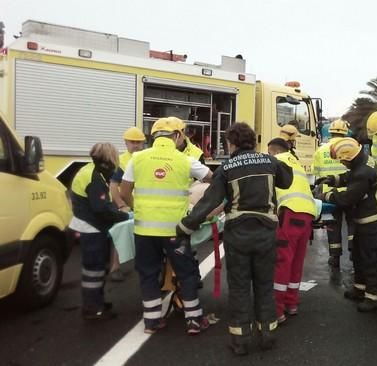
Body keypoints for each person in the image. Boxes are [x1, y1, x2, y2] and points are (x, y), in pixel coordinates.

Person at [176, 122, 293, 355]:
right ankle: (268, 335)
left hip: (238, 235)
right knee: (264, 285)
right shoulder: (270, 161)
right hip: (266, 234)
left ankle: (240, 342)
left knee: (239, 287)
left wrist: (185, 226)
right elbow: (286, 181)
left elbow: (210, 201)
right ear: (253, 141)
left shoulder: (227, 167)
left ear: (231, 143)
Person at [119, 117, 213, 335]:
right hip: (175, 230)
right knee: (186, 272)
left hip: (144, 230)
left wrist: (137, 209)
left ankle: (152, 321)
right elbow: (212, 179)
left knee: (148, 273)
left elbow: (124, 192)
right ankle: (194, 320)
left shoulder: (138, 158)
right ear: (178, 136)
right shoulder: (185, 160)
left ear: (154, 136)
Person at [316, 138, 377, 312]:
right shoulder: (363, 161)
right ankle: (360, 287)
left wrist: (325, 196)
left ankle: (374, 297)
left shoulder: (363, 172)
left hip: (371, 221)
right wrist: (332, 179)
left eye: (342, 160)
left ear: (349, 157)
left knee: (370, 258)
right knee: (358, 254)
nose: (342, 163)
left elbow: (348, 198)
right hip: (366, 218)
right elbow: (350, 177)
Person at [69, 143, 131, 320]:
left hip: (87, 226)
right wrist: (123, 217)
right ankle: (93, 308)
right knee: (94, 270)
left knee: (96, 269)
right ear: (108, 158)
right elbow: (101, 209)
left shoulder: (90, 171)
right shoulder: (95, 177)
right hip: (91, 228)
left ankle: (96, 302)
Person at [267, 137, 316, 324]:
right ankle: (291, 302)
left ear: (273, 151)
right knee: (296, 261)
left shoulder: (276, 161)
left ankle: (277, 310)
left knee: (282, 261)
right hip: (307, 214)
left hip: (290, 214)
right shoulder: (296, 163)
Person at [312, 119, 355, 269]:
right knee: (352, 222)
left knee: (332, 225)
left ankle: (334, 257)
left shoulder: (321, 150)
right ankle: (353, 252)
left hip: (328, 196)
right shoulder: (351, 148)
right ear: (345, 133)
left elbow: (316, 174)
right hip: (349, 193)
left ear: (330, 132)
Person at [109, 126, 146, 282]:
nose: (136, 145)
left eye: (139, 142)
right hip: (125, 204)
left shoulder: (146, 158)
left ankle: (143, 264)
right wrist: (120, 205)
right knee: (121, 234)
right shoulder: (121, 161)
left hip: (143, 205)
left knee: (144, 237)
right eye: (132, 142)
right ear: (125, 143)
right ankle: (115, 267)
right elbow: (113, 185)